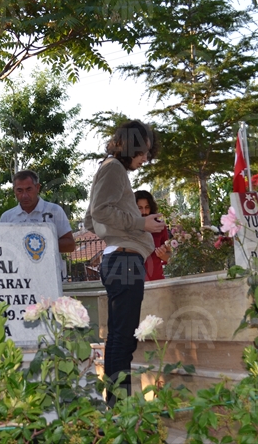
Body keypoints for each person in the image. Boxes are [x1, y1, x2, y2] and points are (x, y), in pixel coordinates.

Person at [84, 119, 165, 406]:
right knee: (123, 340)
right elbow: (100, 212)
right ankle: (119, 412)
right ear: (131, 146)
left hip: (119, 259)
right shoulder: (114, 168)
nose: (144, 159)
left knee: (119, 339)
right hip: (125, 261)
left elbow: (90, 219)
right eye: (143, 153)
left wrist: (130, 225)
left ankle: (117, 409)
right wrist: (140, 223)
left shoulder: (109, 168)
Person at [0, 170, 76, 253]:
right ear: (14, 190)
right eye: (20, 190)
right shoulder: (6, 217)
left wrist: (39, 244)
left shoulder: (55, 211)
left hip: (49, 266)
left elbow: (70, 245)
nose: (24, 195)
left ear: (37, 188)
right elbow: (1, 248)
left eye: (29, 189)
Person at [134, 190, 171, 281]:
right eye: (140, 208)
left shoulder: (160, 227)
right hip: (134, 283)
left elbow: (169, 256)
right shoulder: (127, 228)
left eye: (147, 207)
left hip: (156, 280)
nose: (144, 211)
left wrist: (162, 255)